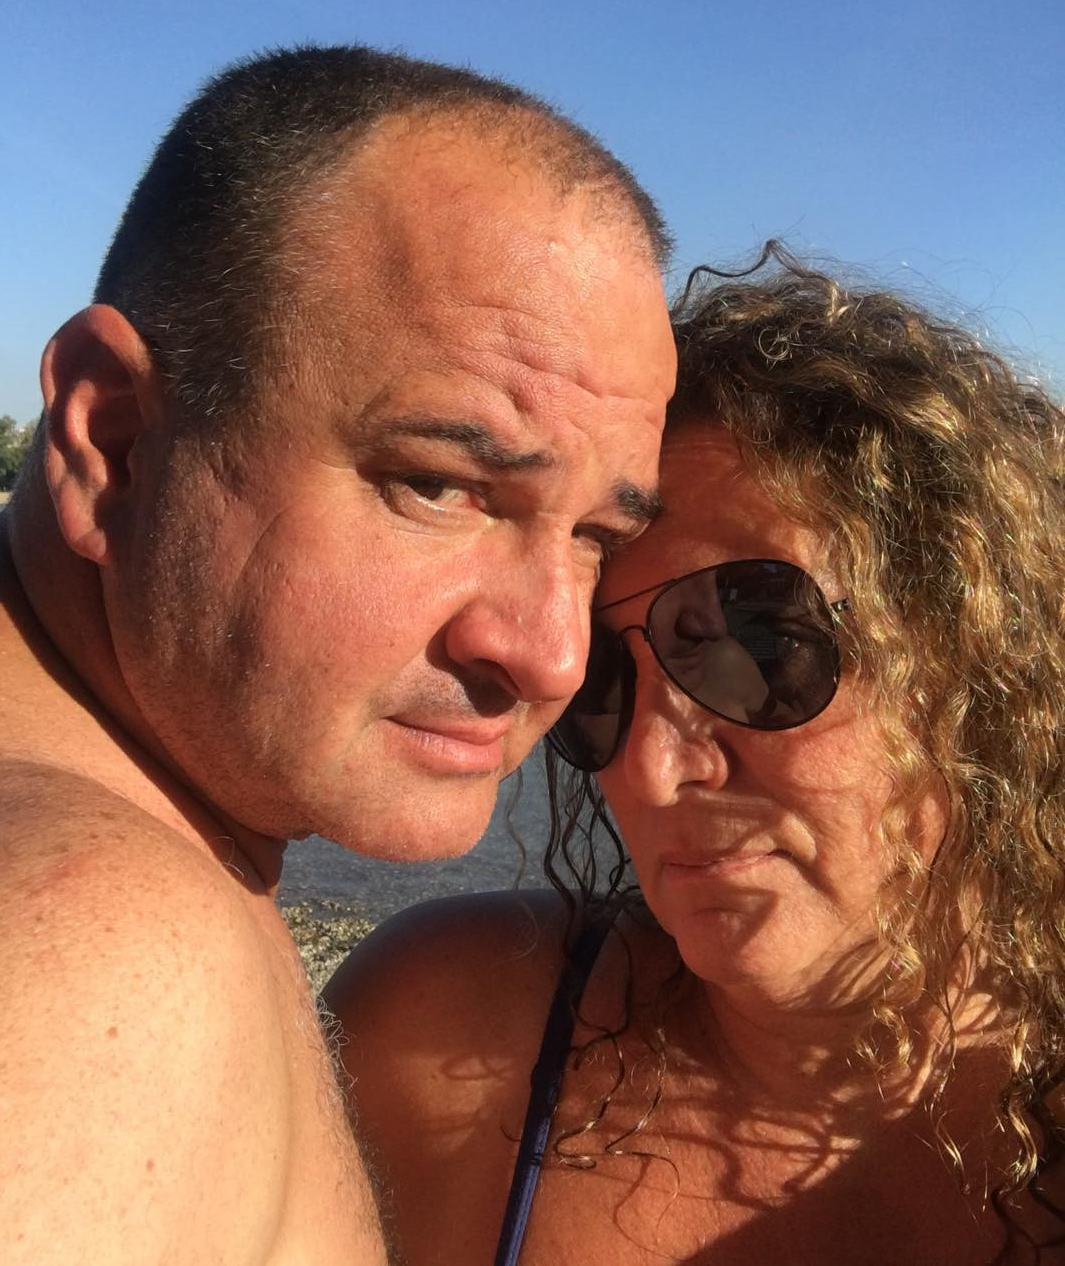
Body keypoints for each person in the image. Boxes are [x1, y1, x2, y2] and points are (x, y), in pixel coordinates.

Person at [0, 45, 676, 1263]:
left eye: (596, 538)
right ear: (115, 442)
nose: (554, 656)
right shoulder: (91, 955)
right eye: (440, 486)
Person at [327, 248, 1064, 1264]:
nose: (649, 771)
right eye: (600, 683)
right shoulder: (435, 1045)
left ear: (975, 649)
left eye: (757, 642)